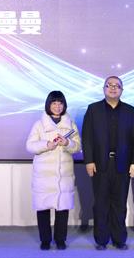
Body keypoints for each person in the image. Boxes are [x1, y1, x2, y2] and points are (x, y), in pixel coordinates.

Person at [81, 76, 134, 250]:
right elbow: (87, 137)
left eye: (117, 86)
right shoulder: (93, 109)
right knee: (101, 204)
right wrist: (89, 161)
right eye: (109, 85)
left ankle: (119, 239)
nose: (113, 88)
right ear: (104, 89)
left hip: (123, 165)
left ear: (122, 90)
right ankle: (101, 240)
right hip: (100, 164)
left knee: (119, 204)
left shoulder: (130, 110)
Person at [26, 90, 81, 250]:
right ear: (48, 105)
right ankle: (45, 240)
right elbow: (30, 146)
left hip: (64, 175)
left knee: (62, 209)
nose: (57, 106)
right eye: (54, 103)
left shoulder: (71, 124)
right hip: (44, 175)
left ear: (64, 105)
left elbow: (78, 146)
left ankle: (60, 240)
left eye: (60, 103)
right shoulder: (39, 124)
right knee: (43, 208)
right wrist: (46, 145)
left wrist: (67, 143)